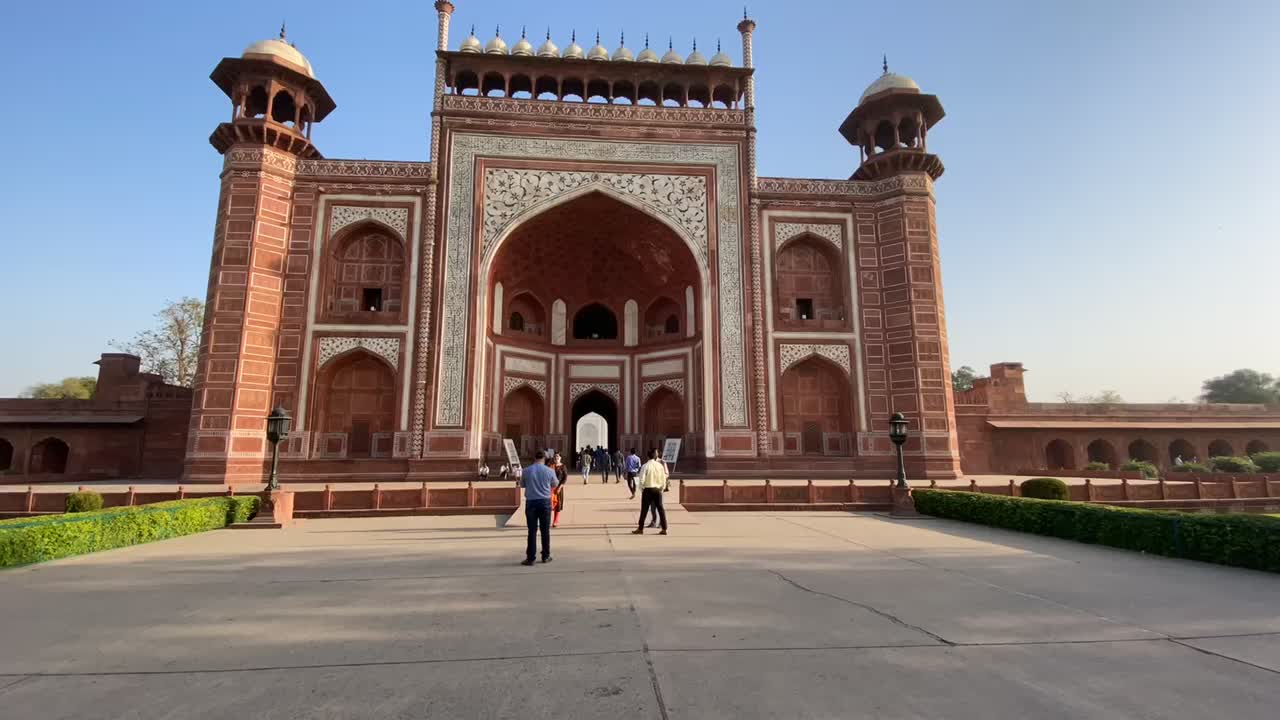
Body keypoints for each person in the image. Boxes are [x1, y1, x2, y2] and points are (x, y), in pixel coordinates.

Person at [519, 451, 558, 565]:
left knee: (532, 531)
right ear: (544, 459)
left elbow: (522, 485)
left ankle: (531, 558)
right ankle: (545, 556)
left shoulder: (526, 471)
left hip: (531, 502)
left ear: (534, 457)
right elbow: (555, 484)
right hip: (545, 503)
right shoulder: (550, 471)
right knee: (545, 531)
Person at [632, 448, 669, 535]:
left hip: (648, 489)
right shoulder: (659, 466)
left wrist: (642, 489)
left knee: (644, 510)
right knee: (661, 509)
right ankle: (664, 529)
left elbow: (641, 480)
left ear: (647, 456)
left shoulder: (645, 466)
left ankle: (640, 528)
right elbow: (664, 478)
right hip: (658, 489)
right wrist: (662, 488)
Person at [551, 453, 569, 528]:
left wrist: (560, 487)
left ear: (560, 458)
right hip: (550, 488)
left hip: (558, 488)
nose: (556, 458)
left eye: (558, 456)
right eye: (555, 456)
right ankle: (546, 520)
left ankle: (555, 520)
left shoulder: (563, 466)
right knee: (549, 505)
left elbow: (565, 478)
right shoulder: (550, 466)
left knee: (557, 505)